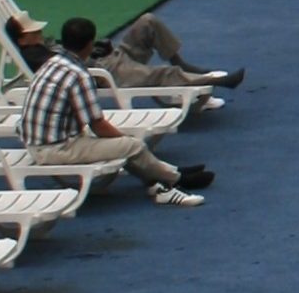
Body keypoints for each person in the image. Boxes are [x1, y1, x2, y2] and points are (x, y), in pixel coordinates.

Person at [21, 18, 210, 206]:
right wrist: (127, 141)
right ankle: (175, 179)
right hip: (55, 149)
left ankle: (165, 174)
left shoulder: (53, 62)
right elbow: (98, 125)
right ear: (89, 44)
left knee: (122, 145)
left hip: (39, 142)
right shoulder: (78, 74)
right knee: (130, 145)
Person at [9, 14, 241, 92]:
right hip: (106, 74)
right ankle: (213, 81)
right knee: (162, 74)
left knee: (147, 22)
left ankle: (181, 61)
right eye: (33, 31)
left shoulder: (42, 46)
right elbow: (69, 68)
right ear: (22, 39)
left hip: (109, 60)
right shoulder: (35, 56)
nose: (39, 30)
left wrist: (97, 47)